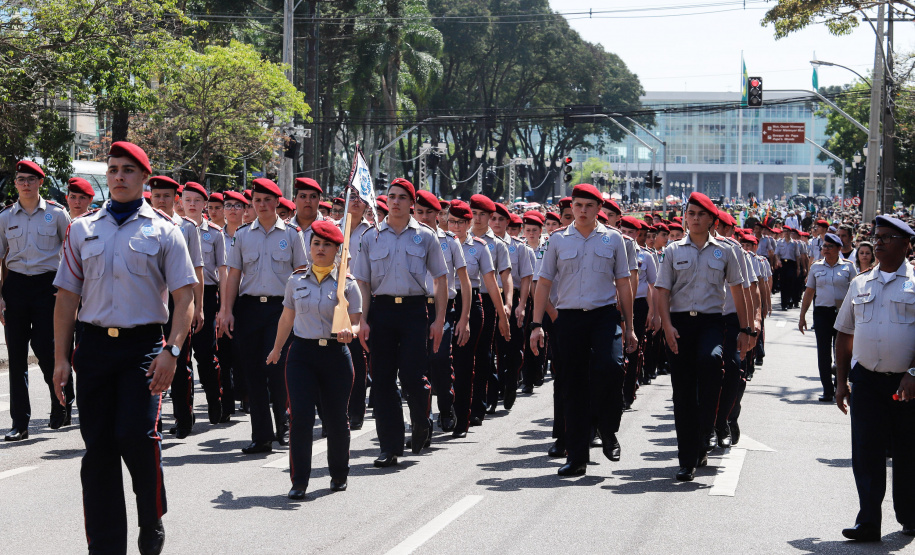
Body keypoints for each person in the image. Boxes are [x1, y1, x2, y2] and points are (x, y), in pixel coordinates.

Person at [52, 141, 197, 555]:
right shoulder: (82, 229)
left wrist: (171, 351)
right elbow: (65, 299)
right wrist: (61, 359)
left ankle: (150, 518)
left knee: (135, 435)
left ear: (144, 179)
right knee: (98, 449)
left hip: (143, 348)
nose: (118, 176)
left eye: (128, 170)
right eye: (113, 169)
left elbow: (185, 298)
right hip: (94, 347)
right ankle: (105, 545)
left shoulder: (165, 230)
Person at [530, 184, 638, 477]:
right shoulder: (557, 240)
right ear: (572, 208)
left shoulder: (613, 240)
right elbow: (543, 283)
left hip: (604, 317)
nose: (582, 210)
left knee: (611, 368)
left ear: (598, 209)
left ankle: (607, 428)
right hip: (569, 319)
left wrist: (629, 327)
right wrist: (537, 324)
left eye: (589, 206)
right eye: (578, 205)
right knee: (572, 386)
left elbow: (624, 285)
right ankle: (577, 456)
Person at [352, 178, 448, 466]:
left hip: (414, 312)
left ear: (412, 204)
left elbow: (441, 279)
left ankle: (421, 421)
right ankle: (390, 446)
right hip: (381, 313)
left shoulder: (426, 236)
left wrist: (440, 319)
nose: (395, 201)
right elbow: (363, 282)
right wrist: (362, 320)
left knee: (412, 377)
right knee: (382, 381)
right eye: (391, 196)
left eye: (402, 197)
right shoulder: (371, 236)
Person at [655, 192, 750, 482]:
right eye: (691, 213)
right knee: (682, 394)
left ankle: (708, 428)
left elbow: (738, 291)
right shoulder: (672, 251)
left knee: (711, 366)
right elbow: (662, 291)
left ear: (711, 220)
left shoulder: (726, 251)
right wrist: (667, 326)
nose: (695, 218)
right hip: (679, 324)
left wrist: (747, 330)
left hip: (711, 324)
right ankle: (688, 459)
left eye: (701, 214)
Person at [266, 220, 362, 499]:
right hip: (302, 355)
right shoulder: (295, 280)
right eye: (316, 243)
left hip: (335, 355)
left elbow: (357, 323)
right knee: (301, 418)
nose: (320, 249)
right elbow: (287, 318)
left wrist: (350, 332)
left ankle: (339, 474)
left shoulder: (348, 284)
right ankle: (299, 482)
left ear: (337, 249)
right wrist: (276, 349)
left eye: (327, 245)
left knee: (335, 419)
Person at [834, 215, 915, 542]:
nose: (877, 242)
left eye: (886, 237)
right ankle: (868, 521)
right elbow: (843, 334)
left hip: (905, 384)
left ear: (906, 243)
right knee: (866, 452)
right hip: (866, 380)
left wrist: (913, 373)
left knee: (908, 452)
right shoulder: (860, 283)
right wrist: (841, 382)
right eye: (876, 236)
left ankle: (910, 515)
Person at [220, 179, 308, 454]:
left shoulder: (292, 234)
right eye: (257, 200)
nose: (261, 205)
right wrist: (226, 311)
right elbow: (233, 275)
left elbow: (301, 273)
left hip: (282, 310)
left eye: (267, 200)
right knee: (253, 372)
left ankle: (283, 426)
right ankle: (261, 435)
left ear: (277, 202)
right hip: (249, 309)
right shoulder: (243, 235)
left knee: (278, 369)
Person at [1, 160, 73, 440]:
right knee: (16, 357)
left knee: (46, 350)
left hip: (48, 287)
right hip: (16, 287)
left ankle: (59, 402)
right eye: (21, 179)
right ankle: (20, 423)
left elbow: (70, 254)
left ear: (40, 182)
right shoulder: (6, 217)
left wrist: (67, 291)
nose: (26, 184)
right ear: (15, 183)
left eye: (31, 179)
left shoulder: (56, 214)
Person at [446, 200, 510, 437]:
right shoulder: (439, 243)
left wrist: (503, 316)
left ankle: (464, 416)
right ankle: (446, 408)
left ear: (469, 223)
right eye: (452, 221)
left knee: (465, 363)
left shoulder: (480, 247)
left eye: (461, 222)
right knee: (440, 362)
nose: (456, 226)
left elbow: (492, 283)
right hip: (444, 303)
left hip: (470, 304)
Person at [149, 176, 204, 438]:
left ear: (176, 200)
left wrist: (199, 306)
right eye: (157, 195)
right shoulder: (143, 225)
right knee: (150, 361)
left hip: (180, 300)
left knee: (179, 360)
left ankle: (184, 418)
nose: (161, 200)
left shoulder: (188, 228)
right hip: (151, 300)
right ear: (150, 196)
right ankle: (154, 421)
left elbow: (197, 270)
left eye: (167, 196)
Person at [414, 190, 470, 434]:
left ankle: (446, 407)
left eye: (429, 212)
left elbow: (464, 281)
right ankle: (422, 419)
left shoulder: (449, 241)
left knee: (439, 360)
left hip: (443, 308)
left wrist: (465, 318)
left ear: (439, 215)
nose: (424, 217)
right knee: (417, 365)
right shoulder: (407, 238)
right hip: (414, 308)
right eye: (420, 212)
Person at [182, 181, 230, 423]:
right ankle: (185, 413)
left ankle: (215, 401)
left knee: (205, 353)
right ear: (181, 202)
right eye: (187, 200)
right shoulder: (174, 228)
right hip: (180, 295)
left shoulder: (214, 232)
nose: (192, 205)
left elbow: (223, 270)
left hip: (208, 296)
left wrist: (223, 307)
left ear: (205, 205)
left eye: (197, 201)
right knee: (181, 356)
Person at [469, 194, 512, 421]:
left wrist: (507, 304)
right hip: (460, 300)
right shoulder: (457, 238)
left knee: (482, 353)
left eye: (482, 214)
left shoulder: (497, 244)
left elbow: (505, 277)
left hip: (487, 301)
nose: (477, 218)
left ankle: (479, 404)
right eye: (474, 213)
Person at [798, 232, 856, 402]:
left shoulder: (848, 267)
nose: (826, 249)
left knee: (841, 353)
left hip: (842, 314)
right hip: (822, 313)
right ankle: (827, 389)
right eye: (824, 246)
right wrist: (802, 316)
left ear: (839, 249)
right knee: (823, 353)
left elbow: (855, 292)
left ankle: (841, 385)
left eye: (830, 247)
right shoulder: (816, 267)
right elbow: (809, 293)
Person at [491, 203, 533, 411]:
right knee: (492, 347)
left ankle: (511, 382)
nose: (496, 223)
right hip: (488, 298)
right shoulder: (481, 244)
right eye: (493, 219)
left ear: (508, 222)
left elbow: (526, 278)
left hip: (512, 300)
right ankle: (495, 388)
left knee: (513, 348)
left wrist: (522, 305)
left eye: (501, 219)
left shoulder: (519, 247)